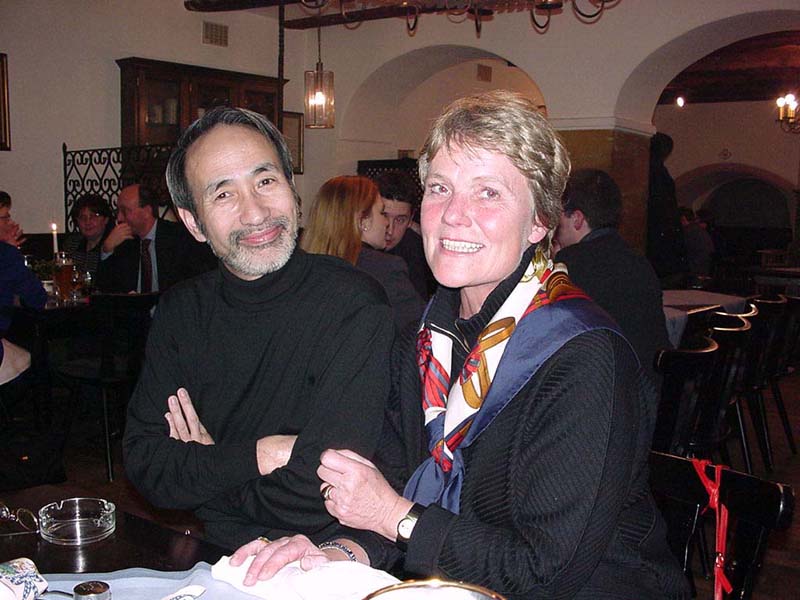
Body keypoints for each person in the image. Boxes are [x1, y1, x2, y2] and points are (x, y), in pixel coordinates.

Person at [232, 91, 688, 599]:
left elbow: (546, 573)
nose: (453, 214)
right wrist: (336, 553)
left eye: (488, 192)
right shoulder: (424, 342)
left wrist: (392, 515)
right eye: (440, 188)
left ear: (540, 221)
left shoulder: (581, 356)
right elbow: (398, 485)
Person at [122, 107, 394, 550]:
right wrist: (262, 453)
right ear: (193, 223)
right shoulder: (182, 311)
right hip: (218, 554)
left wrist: (210, 474)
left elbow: (321, 495)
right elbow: (148, 466)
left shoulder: (352, 303)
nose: (255, 213)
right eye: (223, 194)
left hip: (327, 558)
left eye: (265, 181)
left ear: (292, 189)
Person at [555, 169, 670, 380]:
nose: (556, 231)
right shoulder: (637, 260)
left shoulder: (571, 263)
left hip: (610, 389)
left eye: (559, 221)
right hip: (654, 383)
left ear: (577, 219)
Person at [302, 175, 423, 332]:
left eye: (400, 220)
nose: (388, 225)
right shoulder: (386, 268)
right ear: (363, 221)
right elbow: (421, 331)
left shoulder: (304, 266)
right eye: (382, 213)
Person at [96, 182, 216, 293]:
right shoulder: (124, 241)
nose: (119, 218)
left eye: (125, 211)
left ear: (146, 211)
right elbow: (104, 287)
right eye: (118, 211)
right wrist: (107, 249)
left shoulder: (180, 237)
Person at [374, 171, 436, 299]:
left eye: (400, 220)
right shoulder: (349, 245)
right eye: (384, 216)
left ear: (410, 221)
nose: (390, 230)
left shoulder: (415, 248)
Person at [63, 193, 114, 278]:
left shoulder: (111, 245)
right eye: (82, 217)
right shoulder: (72, 244)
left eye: (94, 216)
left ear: (106, 219)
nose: (88, 222)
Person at [680, 207, 715, 276]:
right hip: (704, 266)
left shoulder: (690, 231)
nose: (696, 220)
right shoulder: (698, 230)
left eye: (697, 218)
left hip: (697, 268)